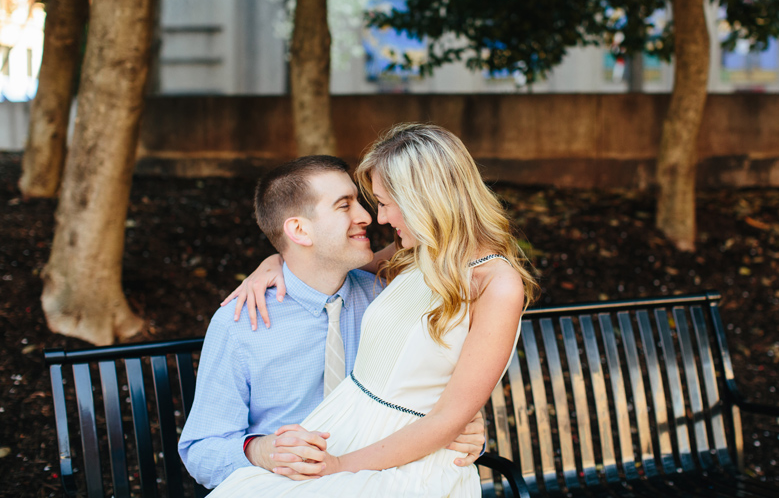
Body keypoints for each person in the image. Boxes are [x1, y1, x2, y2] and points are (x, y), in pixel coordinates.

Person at [208, 123, 537, 497]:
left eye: (383, 202)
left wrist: (339, 468)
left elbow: (449, 417)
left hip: (396, 463)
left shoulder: (496, 284)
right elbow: (315, 261)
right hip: (344, 436)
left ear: (424, 198)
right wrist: (272, 262)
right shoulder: (413, 256)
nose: (378, 218)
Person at [178, 155, 485, 488]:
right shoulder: (240, 323)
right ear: (298, 230)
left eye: (361, 202)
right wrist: (261, 450)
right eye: (344, 206)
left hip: (389, 481)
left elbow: (438, 401)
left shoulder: (390, 299)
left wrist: (463, 430)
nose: (367, 216)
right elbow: (201, 449)